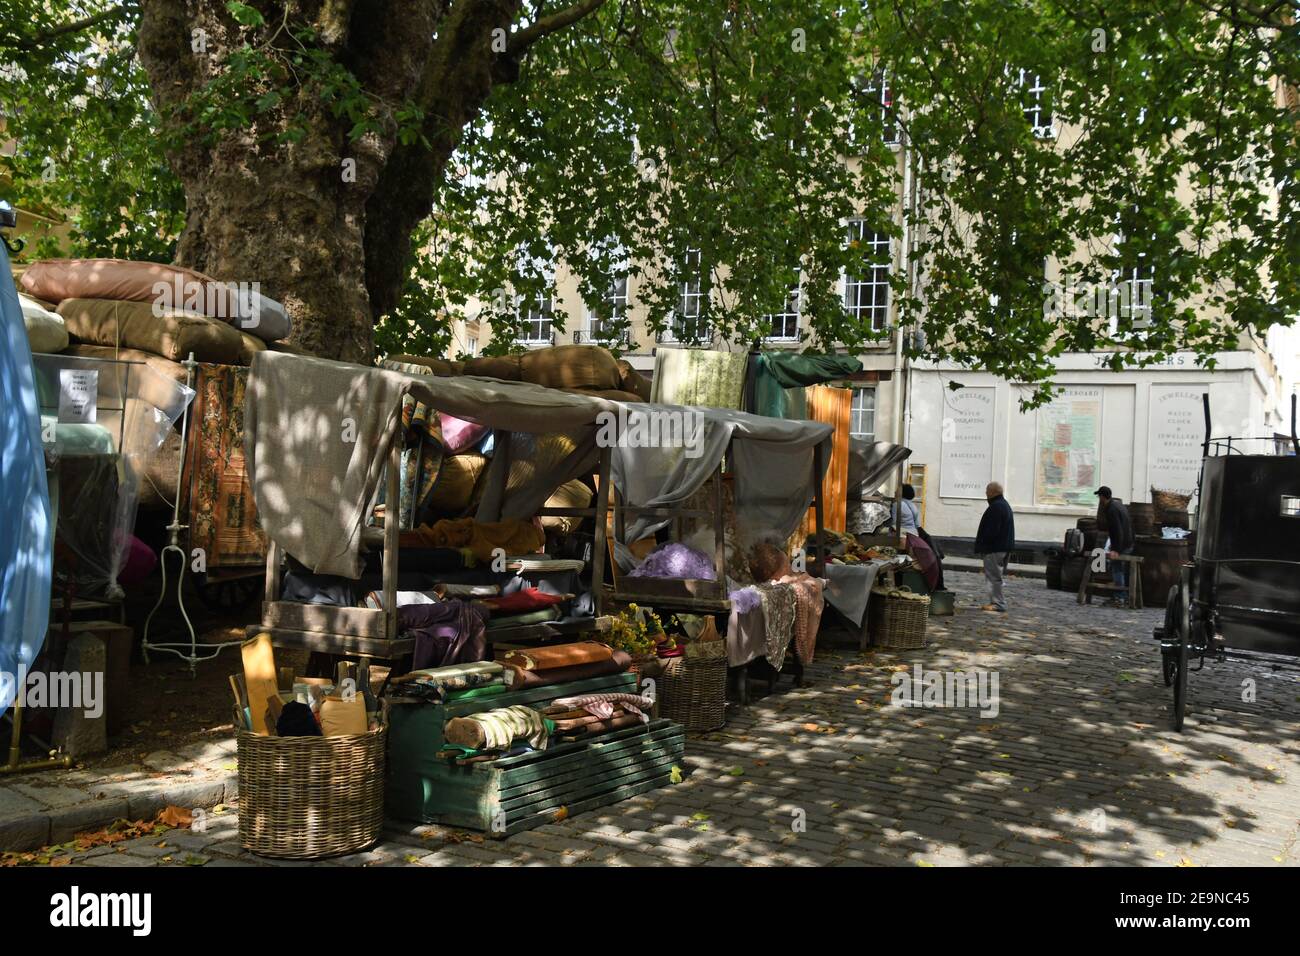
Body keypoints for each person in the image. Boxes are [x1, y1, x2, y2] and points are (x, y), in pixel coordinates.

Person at [974, 481, 1015, 612]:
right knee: (996, 576)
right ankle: (997, 602)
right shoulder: (1003, 505)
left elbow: (991, 530)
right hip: (1002, 547)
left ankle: (998, 603)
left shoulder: (996, 507)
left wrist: (982, 544)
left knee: (993, 577)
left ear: (992, 492)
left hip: (995, 548)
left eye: (987, 491)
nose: (986, 494)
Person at [1096, 486, 1135, 607]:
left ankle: (1120, 597)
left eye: (1099, 496)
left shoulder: (1111, 509)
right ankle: (1124, 596)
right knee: (1123, 569)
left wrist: (1115, 549)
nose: (1099, 499)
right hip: (1129, 542)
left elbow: (1116, 530)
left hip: (1123, 544)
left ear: (1102, 497)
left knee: (1117, 568)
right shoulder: (1118, 505)